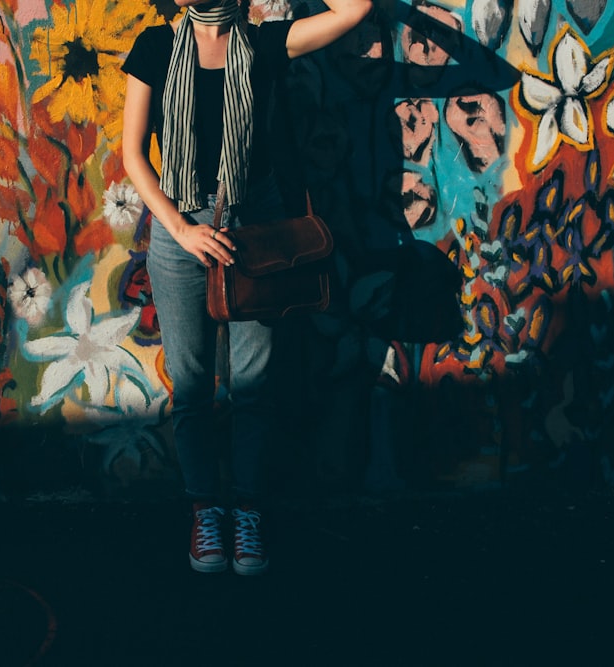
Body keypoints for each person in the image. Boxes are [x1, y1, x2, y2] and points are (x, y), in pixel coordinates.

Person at [122, 0, 372, 575]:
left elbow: (356, 10)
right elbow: (133, 154)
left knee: (254, 385)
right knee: (190, 385)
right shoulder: (156, 47)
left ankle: (248, 511)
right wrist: (183, 229)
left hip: (252, 231)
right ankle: (206, 509)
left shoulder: (264, 44)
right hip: (179, 230)